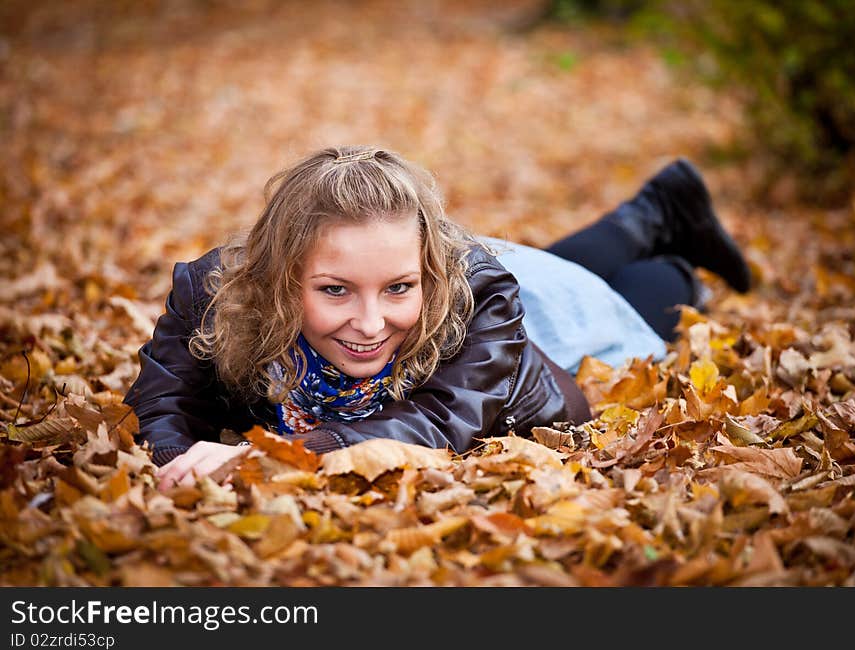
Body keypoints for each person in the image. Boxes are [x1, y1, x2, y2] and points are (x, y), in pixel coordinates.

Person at [123, 145, 750, 490]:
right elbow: (167, 398)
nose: (368, 323)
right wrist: (179, 464)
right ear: (278, 278)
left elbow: (439, 420)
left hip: (538, 345)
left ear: (431, 267)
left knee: (638, 299)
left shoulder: (478, 296)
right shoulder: (221, 288)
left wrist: (275, 455)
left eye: (396, 286)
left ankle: (675, 252)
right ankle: (656, 212)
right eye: (334, 290)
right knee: (550, 273)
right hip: (447, 304)